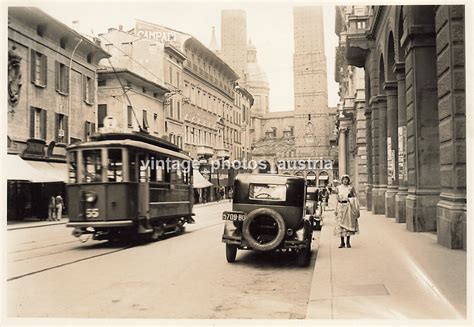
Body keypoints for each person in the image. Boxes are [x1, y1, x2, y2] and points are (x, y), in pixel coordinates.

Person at [334, 174, 358, 248]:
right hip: (340, 207)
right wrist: (335, 209)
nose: (345, 181)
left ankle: (348, 242)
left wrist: (351, 199)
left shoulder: (350, 188)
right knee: (340, 224)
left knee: (348, 224)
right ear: (342, 180)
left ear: (348, 180)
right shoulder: (338, 188)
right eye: (344, 179)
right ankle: (342, 242)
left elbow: (355, 197)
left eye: (346, 179)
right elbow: (336, 199)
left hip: (348, 206)